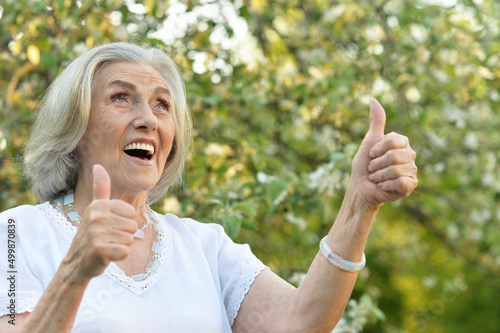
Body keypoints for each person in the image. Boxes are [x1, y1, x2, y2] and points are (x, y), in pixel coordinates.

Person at [0, 42, 418, 332]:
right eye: (122, 98)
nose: (149, 118)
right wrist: (75, 271)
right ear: (75, 128)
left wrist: (360, 203)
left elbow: (300, 322)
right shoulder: (16, 234)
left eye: (162, 104)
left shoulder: (203, 246)